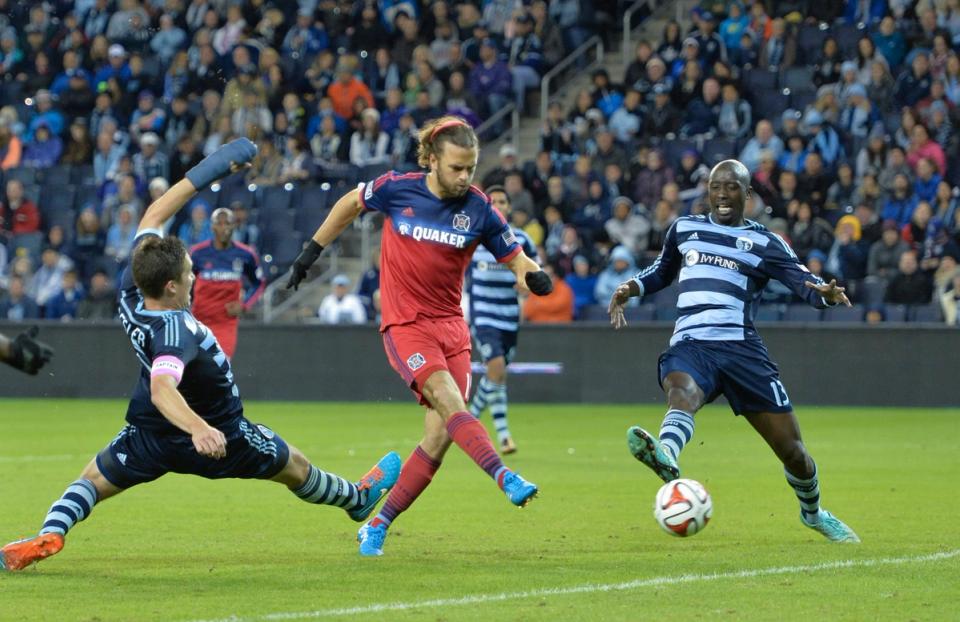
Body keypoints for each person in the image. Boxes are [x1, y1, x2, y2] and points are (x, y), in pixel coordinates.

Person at [0, 139, 400, 572]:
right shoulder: (176, 328)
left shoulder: (132, 287)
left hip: (149, 436)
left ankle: (50, 533)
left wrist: (214, 167)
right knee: (295, 467)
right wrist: (200, 429)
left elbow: (155, 213)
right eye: (190, 272)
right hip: (219, 435)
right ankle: (357, 501)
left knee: (91, 481)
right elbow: (161, 386)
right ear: (172, 286)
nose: (195, 277)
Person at [285, 116, 554, 557]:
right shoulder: (397, 188)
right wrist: (310, 253)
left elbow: (516, 257)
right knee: (452, 403)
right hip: (407, 324)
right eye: (456, 168)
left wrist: (533, 275)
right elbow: (350, 205)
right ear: (431, 160)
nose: (465, 177)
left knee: (440, 437)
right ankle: (504, 476)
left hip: (452, 327)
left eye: (470, 168)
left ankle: (377, 522)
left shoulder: (479, 208)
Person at [607, 159, 860, 544]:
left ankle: (814, 514)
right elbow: (661, 271)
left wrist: (823, 293)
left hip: (742, 352)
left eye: (731, 188)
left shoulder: (765, 242)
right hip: (692, 343)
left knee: (794, 453)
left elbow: (802, 282)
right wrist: (631, 287)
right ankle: (668, 454)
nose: (722, 195)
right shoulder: (684, 229)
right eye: (715, 187)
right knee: (681, 392)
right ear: (707, 192)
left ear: (748, 195)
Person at [466, 185, 538, 455]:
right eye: (492, 201)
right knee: (496, 368)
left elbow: (536, 270)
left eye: (502, 201)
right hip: (483, 316)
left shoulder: (521, 240)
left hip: (510, 317)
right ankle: (504, 436)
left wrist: (529, 283)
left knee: (497, 375)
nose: (497, 204)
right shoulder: (473, 239)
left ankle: (469, 418)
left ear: (509, 207)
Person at [189, 207, 264, 358]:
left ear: (234, 226)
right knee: (194, 371)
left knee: (219, 368)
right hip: (199, 321)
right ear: (212, 226)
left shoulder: (246, 254)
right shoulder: (197, 253)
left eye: (227, 223)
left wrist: (244, 306)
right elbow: (184, 284)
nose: (223, 228)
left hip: (225, 322)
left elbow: (259, 283)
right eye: (219, 223)